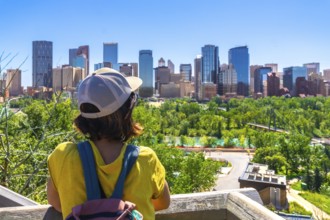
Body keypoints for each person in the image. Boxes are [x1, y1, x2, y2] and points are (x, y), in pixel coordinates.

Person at [47, 68, 170, 220]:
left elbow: (55, 202)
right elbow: (163, 203)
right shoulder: (146, 160)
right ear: (127, 112)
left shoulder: (63, 156)